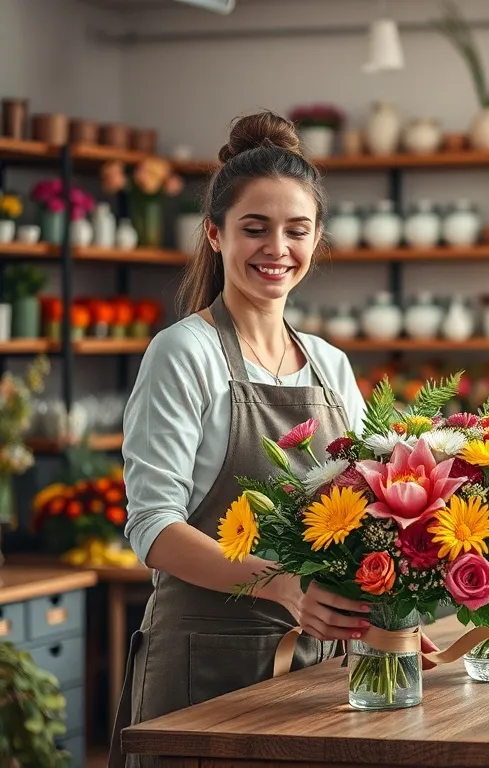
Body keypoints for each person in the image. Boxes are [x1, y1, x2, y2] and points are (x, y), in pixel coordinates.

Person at [108, 112, 435, 768]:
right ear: (215, 233)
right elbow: (152, 528)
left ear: (316, 238)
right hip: (203, 669)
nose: (277, 248)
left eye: (297, 230)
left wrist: (390, 611)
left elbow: (365, 512)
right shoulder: (184, 353)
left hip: (320, 672)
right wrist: (284, 585)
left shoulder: (329, 365)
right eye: (255, 228)